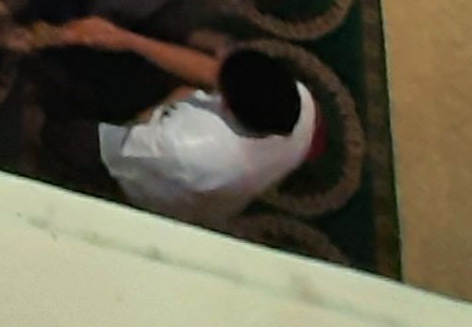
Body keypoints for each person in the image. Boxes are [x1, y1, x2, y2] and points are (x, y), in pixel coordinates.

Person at [98, 42, 316, 226]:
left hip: (152, 193)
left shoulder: (184, 145)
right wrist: (126, 39)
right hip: (221, 200)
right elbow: (216, 73)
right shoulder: (304, 104)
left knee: (80, 135)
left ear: (227, 108)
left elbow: (127, 139)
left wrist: (175, 98)